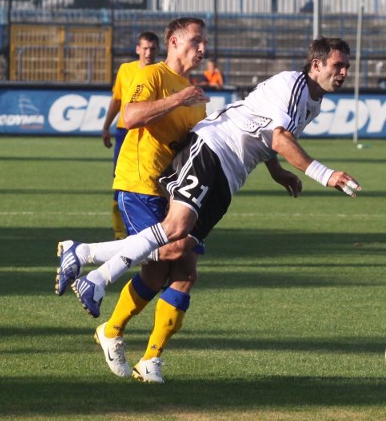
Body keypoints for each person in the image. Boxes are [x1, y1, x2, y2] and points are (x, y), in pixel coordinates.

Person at [63, 36, 361, 382]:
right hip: (212, 148)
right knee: (176, 228)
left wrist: (277, 170)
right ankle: (91, 265)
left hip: (230, 176)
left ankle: (145, 357)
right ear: (316, 65)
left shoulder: (313, 102)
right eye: (338, 65)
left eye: (346, 66)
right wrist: (324, 174)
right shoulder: (293, 85)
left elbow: (266, 137)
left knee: (182, 262)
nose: (344, 71)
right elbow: (278, 136)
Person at [55, 17, 210, 384]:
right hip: (139, 185)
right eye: (196, 41)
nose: (202, 49)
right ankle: (84, 254)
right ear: (173, 42)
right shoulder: (153, 76)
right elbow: (131, 115)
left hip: (170, 193)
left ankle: (136, 348)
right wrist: (178, 99)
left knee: (175, 272)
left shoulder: (196, 97)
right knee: (172, 256)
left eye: (204, 43)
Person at [101, 31, 160, 240]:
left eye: (152, 48)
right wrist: (106, 126)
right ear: (137, 49)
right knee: (120, 179)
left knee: (149, 179)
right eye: (145, 48)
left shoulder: (161, 72)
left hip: (149, 131)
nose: (148, 52)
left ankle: (149, 227)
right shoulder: (126, 70)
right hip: (124, 130)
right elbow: (117, 100)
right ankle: (120, 233)